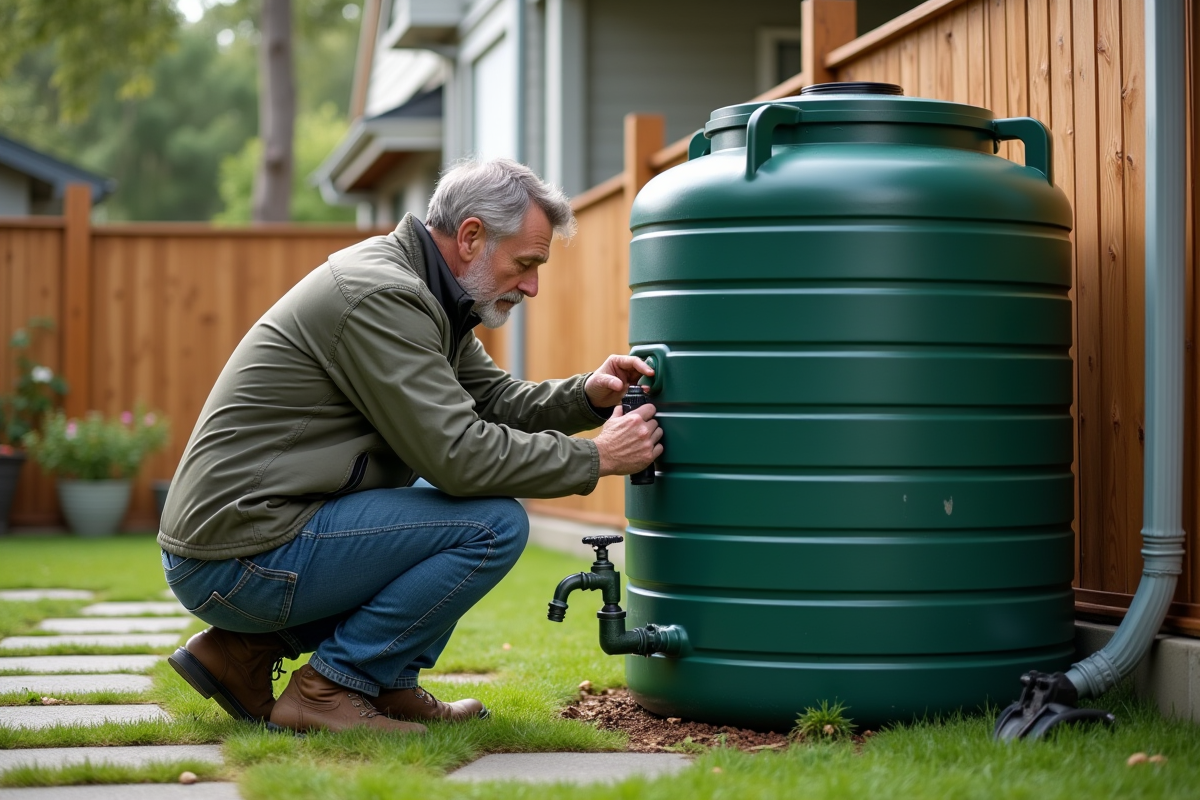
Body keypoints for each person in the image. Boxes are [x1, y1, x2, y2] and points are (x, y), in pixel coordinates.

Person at [158, 159, 662, 735]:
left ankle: (328, 672)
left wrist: (587, 398)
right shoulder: (384, 296)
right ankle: (330, 687)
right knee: (490, 524)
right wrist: (598, 458)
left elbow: (493, 399)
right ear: (471, 236)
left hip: (254, 536)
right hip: (242, 553)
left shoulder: (428, 294)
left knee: (453, 506)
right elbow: (460, 457)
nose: (532, 286)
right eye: (526, 264)